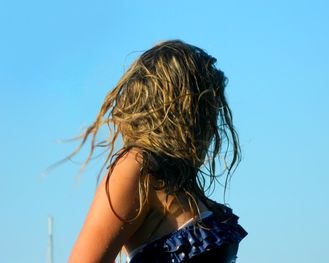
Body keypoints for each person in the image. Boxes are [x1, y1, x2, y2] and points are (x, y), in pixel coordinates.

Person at [67, 40, 247, 263]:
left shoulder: (181, 181)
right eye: (204, 108)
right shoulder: (136, 167)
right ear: (179, 109)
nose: (212, 123)